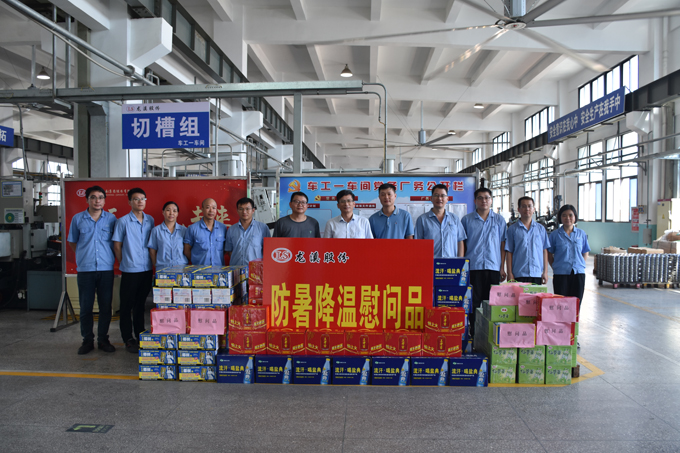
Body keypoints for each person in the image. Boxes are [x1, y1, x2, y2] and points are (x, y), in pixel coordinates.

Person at [67, 186, 117, 355]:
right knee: (86, 307)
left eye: (100, 197)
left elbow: (115, 243)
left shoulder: (111, 219)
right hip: (85, 269)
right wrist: (84, 256)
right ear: (87, 199)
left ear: (104, 200)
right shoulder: (78, 219)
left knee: (105, 307)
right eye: (93, 197)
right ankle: (87, 340)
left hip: (106, 269)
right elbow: (73, 242)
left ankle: (103, 339)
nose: (97, 200)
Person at [113, 188, 155, 353]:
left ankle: (139, 334)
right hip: (130, 270)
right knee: (126, 305)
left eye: (142, 199)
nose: (140, 202)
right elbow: (117, 245)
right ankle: (127, 338)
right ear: (130, 202)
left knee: (140, 304)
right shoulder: (123, 221)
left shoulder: (150, 220)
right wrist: (123, 262)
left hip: (146, 269)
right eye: (136, 199)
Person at [461, 187, 507, 331]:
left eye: (487, 198)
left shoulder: (499, 220)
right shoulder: (467, 220)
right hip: (473, 267)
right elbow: (462, 244)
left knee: (492, 303)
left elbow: (503, 244)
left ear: (491, 200)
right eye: (480, 198)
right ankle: (474, 333)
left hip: (493, 267)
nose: (484, 201)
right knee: (473, 302)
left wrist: (502, 267)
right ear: (475, 201)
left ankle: (489, 334)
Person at [548, 204, 591, 308]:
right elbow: (549, 253)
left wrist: (581, 264)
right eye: (564, 215)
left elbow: (585, 251)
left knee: (576, 305)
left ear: (575, 217)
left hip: (578, 274)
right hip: (560, 274)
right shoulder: (554, 235)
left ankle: (575, 320)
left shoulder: (581, 234)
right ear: (560, 217)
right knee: (561, 305)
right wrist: (555, 266)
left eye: (570, 215)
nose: (567, 218)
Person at [505, 196, 550, 284]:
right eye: (524, 206)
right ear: (519, 209)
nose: (527, 209)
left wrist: (545, 272)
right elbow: (509, 252)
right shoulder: (512, 229)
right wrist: (509, 273)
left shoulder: (540, 229)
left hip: (536, 273)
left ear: (534, 209)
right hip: (519, 274)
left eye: (530, 206)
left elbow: (544, 250)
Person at [415, 184, 465, 257]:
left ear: (447, 199)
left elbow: (460, 241)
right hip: (430, 262)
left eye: (443, 195)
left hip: (451, 262)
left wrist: (460, 261)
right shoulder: (422, 219)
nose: (439, 198)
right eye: (436, 195)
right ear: (431, 198)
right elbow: (418, 244)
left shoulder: (455, 219)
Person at [225, 197, 271, 266]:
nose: (244, 212)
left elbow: (268, 250)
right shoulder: (231, 229)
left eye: (247, 209)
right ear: (237, 211)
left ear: (253, 210)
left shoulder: (263, 228)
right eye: (241, 209)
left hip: (256, 269)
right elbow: (230, 251)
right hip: (236, 269)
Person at [184, 198, 228, 265]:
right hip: (199, 270)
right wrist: (196, 262)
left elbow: (225, 249)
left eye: (213, 208)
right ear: (202, 209)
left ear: (216, 210)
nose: (211, 210)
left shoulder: (223, 228)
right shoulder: (192, 228)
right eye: (208, 207)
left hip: (218, 269)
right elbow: (187, 250)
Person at [147, 201, 188, 269]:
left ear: (177, 213)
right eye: (168, 210)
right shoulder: (156, 230)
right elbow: (152, 250)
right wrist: (156, 265)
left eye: (174, 211)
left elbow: (187, 250)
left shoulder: (184, 230)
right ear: (163, 212)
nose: (171, 213)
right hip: (163, 268)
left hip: (181, 268)